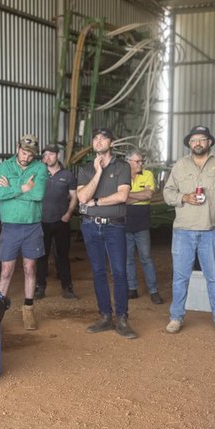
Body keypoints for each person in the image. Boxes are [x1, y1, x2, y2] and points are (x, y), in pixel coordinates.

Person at [163, 126, 215, 336]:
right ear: (189, 143)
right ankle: (176, 317)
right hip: (183, 231)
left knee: (213, 278)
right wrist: (184, 198)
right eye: (194, 140)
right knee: (180, 277)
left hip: (210, 231)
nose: (198, 143)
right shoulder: (180, 165)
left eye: (202, 139)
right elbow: (168, 192)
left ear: (209, 142)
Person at [76, 128, 135, 339]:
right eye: (95, 137)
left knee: (119, 272)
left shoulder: (122, 166)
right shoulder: (85, 169)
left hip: (114, 226)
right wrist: (98, 172)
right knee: (98, 271)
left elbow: (122, 195)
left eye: (103, 137)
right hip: (91, 226)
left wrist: (98, 202)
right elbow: (82, 197)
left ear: (111, 142)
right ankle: (105, 316)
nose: (99, 141)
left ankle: (122, 318)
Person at [0, 135, 48, 330]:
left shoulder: (40, 168)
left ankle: (28, 308)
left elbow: (38, 194)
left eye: (30, 155)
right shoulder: (5, 166)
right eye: (23, 152)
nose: (26, 157)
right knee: (6, 270)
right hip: (10, 226)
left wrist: (11, 189)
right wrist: (24, 187)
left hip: (32, 225)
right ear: (17, 148)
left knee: (29, 267)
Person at [36, 144, 77, 300]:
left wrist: (68, 214)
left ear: (57, 155)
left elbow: (74, 196)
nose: (48, 157)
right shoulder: (39, 173)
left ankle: (67, 288)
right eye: (45, 154)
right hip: (41, 222)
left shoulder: (67, 175)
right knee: (41, 256)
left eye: (51, 154)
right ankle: (40, 287)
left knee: (63, 255)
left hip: (61, 221)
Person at [125, 149, 163, 305]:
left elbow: (148, 195)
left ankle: (153, 291)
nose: (141, 164)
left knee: (146, 258)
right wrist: (138, 195)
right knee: (127, 259)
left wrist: (128, 196)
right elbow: (120, 200)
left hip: (142, 224)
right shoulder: (122, 176)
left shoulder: (147, 174)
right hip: (124, 224)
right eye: (137, 161)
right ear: (129, 162)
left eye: (141, 161)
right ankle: (132, 288)